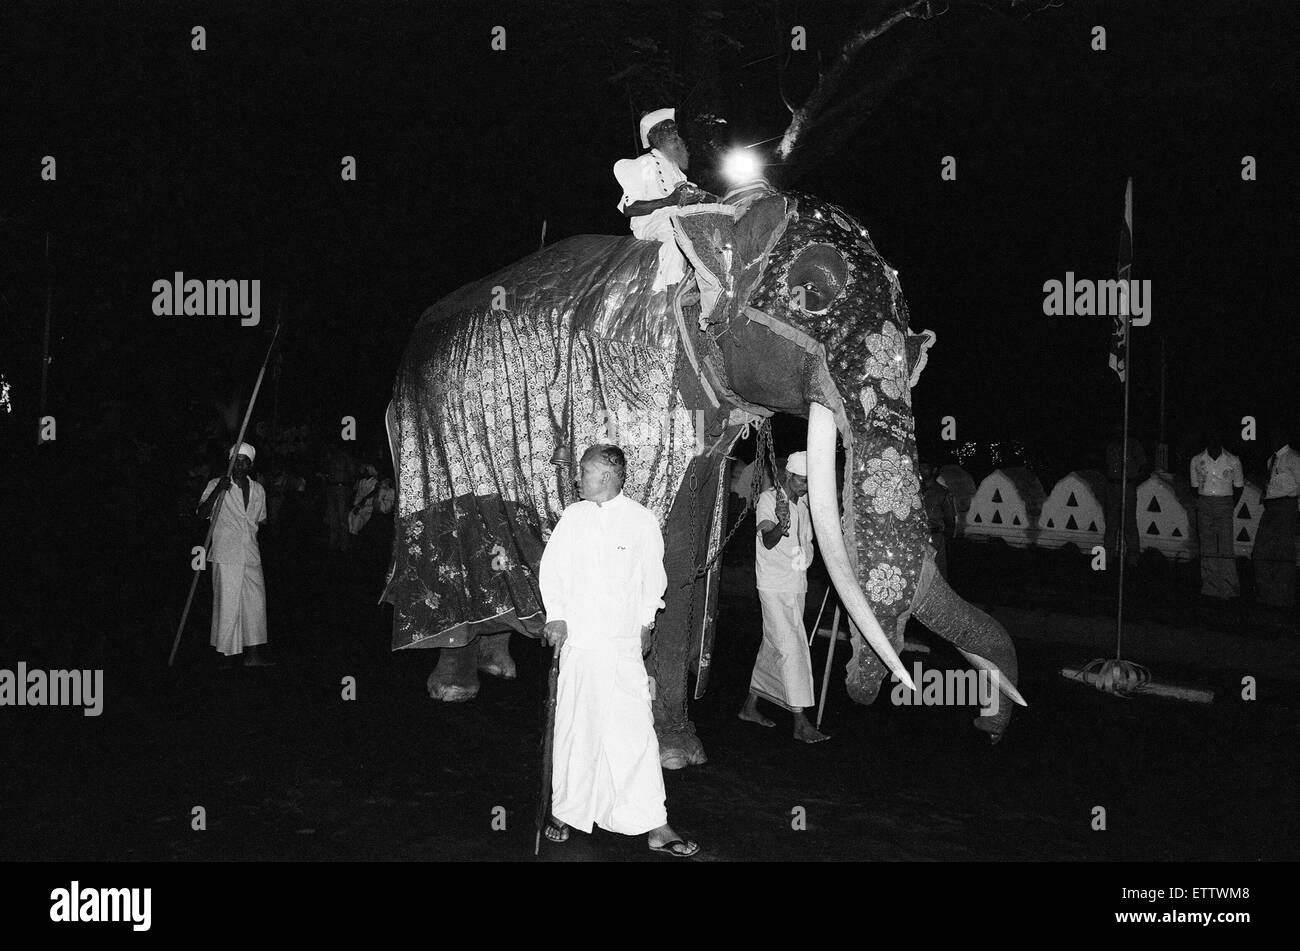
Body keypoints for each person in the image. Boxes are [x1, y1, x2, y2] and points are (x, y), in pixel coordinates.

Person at [538, 444, 699, 857]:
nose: (578, 479)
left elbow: (653, 579)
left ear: (608, 476)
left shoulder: (641, 521)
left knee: (635, 732)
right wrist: (555, 615)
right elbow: (552, 570)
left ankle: (654, 824)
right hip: (581, 645)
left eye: (585, 472)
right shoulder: (573, 518)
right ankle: (566, 811)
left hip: (623, 645)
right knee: (577, 727)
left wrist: (646, 621)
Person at [738, 451, 829, 744]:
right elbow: (767, 539)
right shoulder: (769, 499)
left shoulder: (805, 504)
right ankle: (801, 722)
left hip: (796, 586)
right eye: (801, 481)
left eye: (808, 482)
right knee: (793, 648)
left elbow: (809, 542)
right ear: (788, 476)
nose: (804, 487)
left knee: (774, 645)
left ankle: (749, 707)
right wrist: (781, 523)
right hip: (773, 587)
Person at [613, 108, 710, 293]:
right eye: (668, 129)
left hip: (678, 215)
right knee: (679, 233)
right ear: (654, 136)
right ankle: (673, 289)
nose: (675, 133)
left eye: (675, 129)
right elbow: (629, 209)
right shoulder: (644, 164)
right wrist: (669, 200)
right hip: (653, 221)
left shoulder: (675, 168)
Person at [197, 443, 273, 666]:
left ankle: (253, 655)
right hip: (226, 553)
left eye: (244, 461)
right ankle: (225, 654)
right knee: (228, 605)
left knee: (255, 604)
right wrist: (219, 491)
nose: (239, 465)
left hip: (250, 552)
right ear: (229, 461)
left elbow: (261, 519)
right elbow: (201, 515)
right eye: (236, 460)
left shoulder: (259, 489)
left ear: (251, 464)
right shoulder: (216, 484)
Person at [1189, 423, 1244, 599]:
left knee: (1225, 546)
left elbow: (1239, 487)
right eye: (1210, 435)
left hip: (1225, 502)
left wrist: (1229, 504)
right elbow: (1194, 487)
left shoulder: (1233, 460)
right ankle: (1210, 588)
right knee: (1207, 546)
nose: (1213, 439)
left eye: (1216, 435)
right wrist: (1203, 502)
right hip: (1204, 502)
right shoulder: (1197, 460)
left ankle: (1228, 588)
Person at [1253, 424, 1299, 612]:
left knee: (1283, 553)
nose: (1272, 438)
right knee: (1262, 551)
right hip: (1271, 507)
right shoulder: (1271, 459)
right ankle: (1268, 595)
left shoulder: (1294, 458)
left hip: (1286, 507)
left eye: (1276, 434)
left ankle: (1281, 598)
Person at [1104, 422, 1148, 566]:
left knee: (1129, 523)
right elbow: (1105, 464)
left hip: (1127, 486)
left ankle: (1133, 558)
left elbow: (1144, 466)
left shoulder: (1134, 446)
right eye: (1117, 430)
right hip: (1112, 485)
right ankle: (1107, 557)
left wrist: (1133, 480)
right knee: (1111, 523)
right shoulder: (1111, 446)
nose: (1119, 432)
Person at [920, 461, 956, 581]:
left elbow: (950, 519)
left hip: (935, 536)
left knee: (938, 571)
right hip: (918, 536)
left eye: (925, 468)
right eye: (920, 467)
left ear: (934, 470)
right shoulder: (916, 490)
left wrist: (944, 538)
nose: (921, 470)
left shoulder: (942, 492)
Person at [322, 443, 358, 551]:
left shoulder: (346, 458)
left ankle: (343, 544)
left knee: (341, 517)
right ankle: (334, 543)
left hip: (341, 488)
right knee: (333, 516)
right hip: (333, 488)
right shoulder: (332, 458)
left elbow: (353, 473)